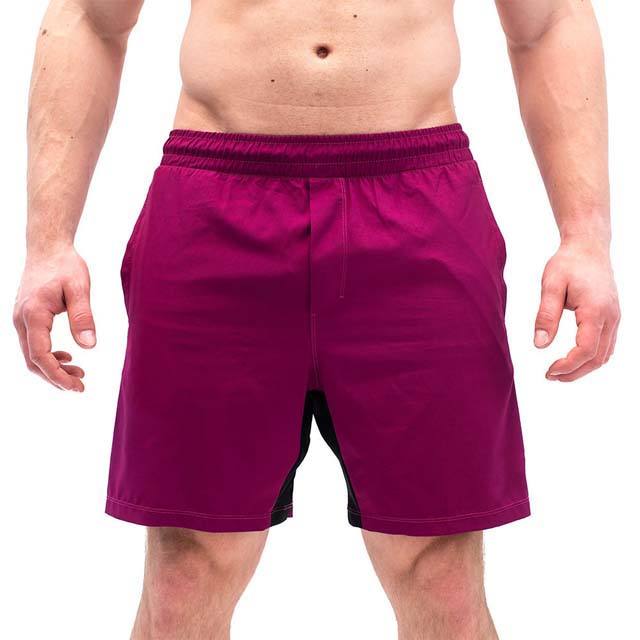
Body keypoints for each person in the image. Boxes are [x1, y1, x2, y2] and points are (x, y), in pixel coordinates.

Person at [13, 1, 620, 638]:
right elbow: (91, 16)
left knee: (440, 576)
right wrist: (48, 241)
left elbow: (548, 21)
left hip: (418, 207)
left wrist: (585, 236)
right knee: (185, 575)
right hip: (215, 202)